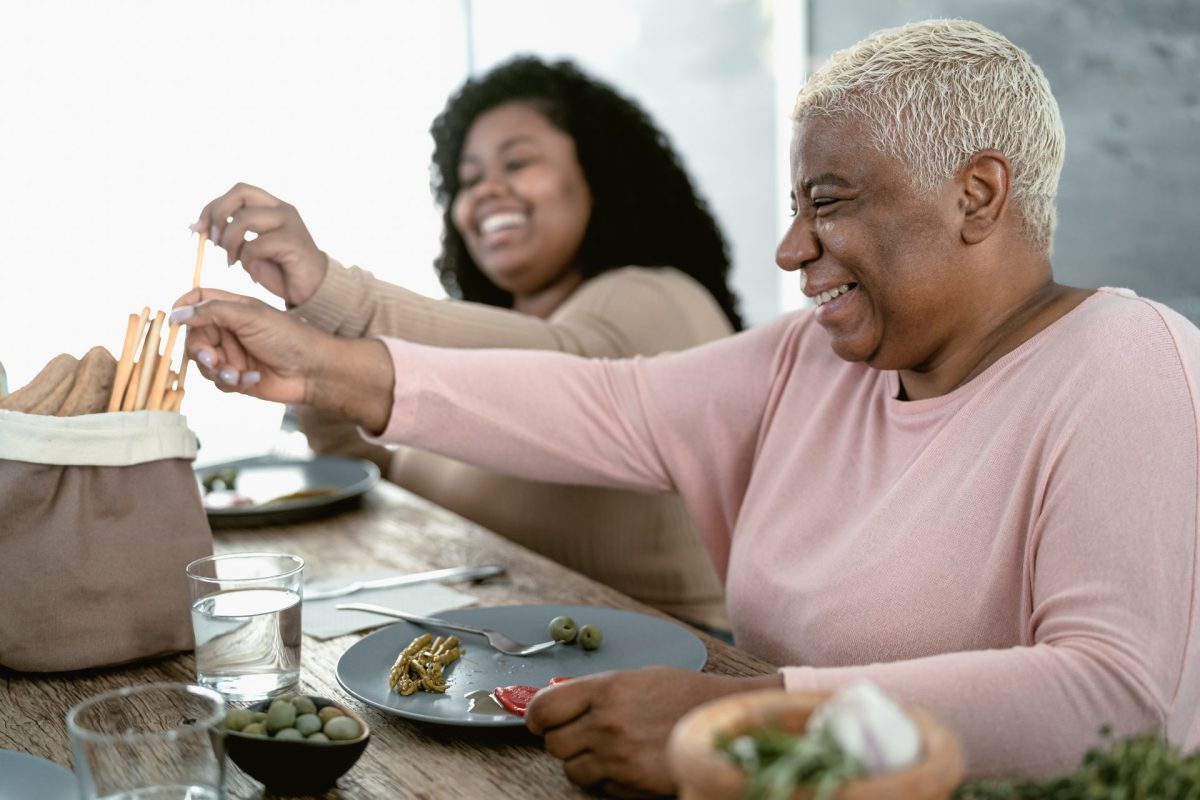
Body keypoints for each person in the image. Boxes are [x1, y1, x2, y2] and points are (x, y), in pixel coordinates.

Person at [173, 19, 1200, 794]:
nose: (791, 249)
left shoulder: (1123, 361)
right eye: (795, 207)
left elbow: (1113, 698)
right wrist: (315, 370)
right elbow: (602, 399)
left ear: (978, 195)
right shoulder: (814, 360)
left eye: (829, 200)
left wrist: (747, 714)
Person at [191, 57, 744, 632]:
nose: (487, 191)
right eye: (469, 178)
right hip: (506, 656)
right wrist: (312, 349)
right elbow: (382, 473)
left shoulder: (659, 296)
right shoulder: (481, 333)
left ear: (600, 173)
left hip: (675, 670)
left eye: (518, 162)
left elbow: (569, 372)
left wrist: (331, 291)